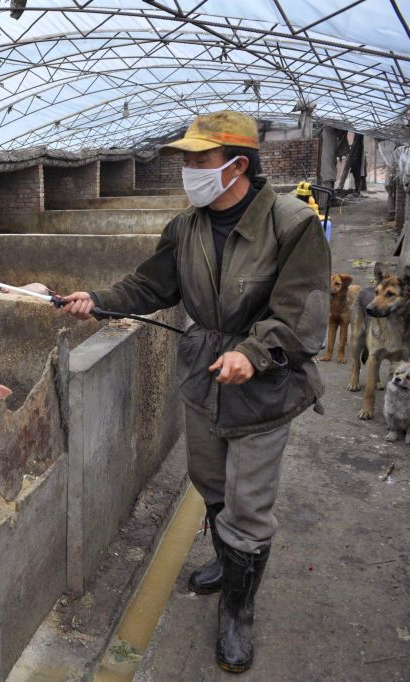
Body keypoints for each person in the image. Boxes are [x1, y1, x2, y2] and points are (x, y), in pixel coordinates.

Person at [60, 110, 330, 673]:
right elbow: (149, 284)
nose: (188, 170)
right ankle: (225, 560)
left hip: (266, 386)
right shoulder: (186, 226)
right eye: (185, 159)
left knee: (248, 503)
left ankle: (238, 609)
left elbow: (301, 316)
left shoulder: (291, 223)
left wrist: (251, 354)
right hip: (203, 374)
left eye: (199, 160)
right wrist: (98, 298)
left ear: (237, 165)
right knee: (209, 481)